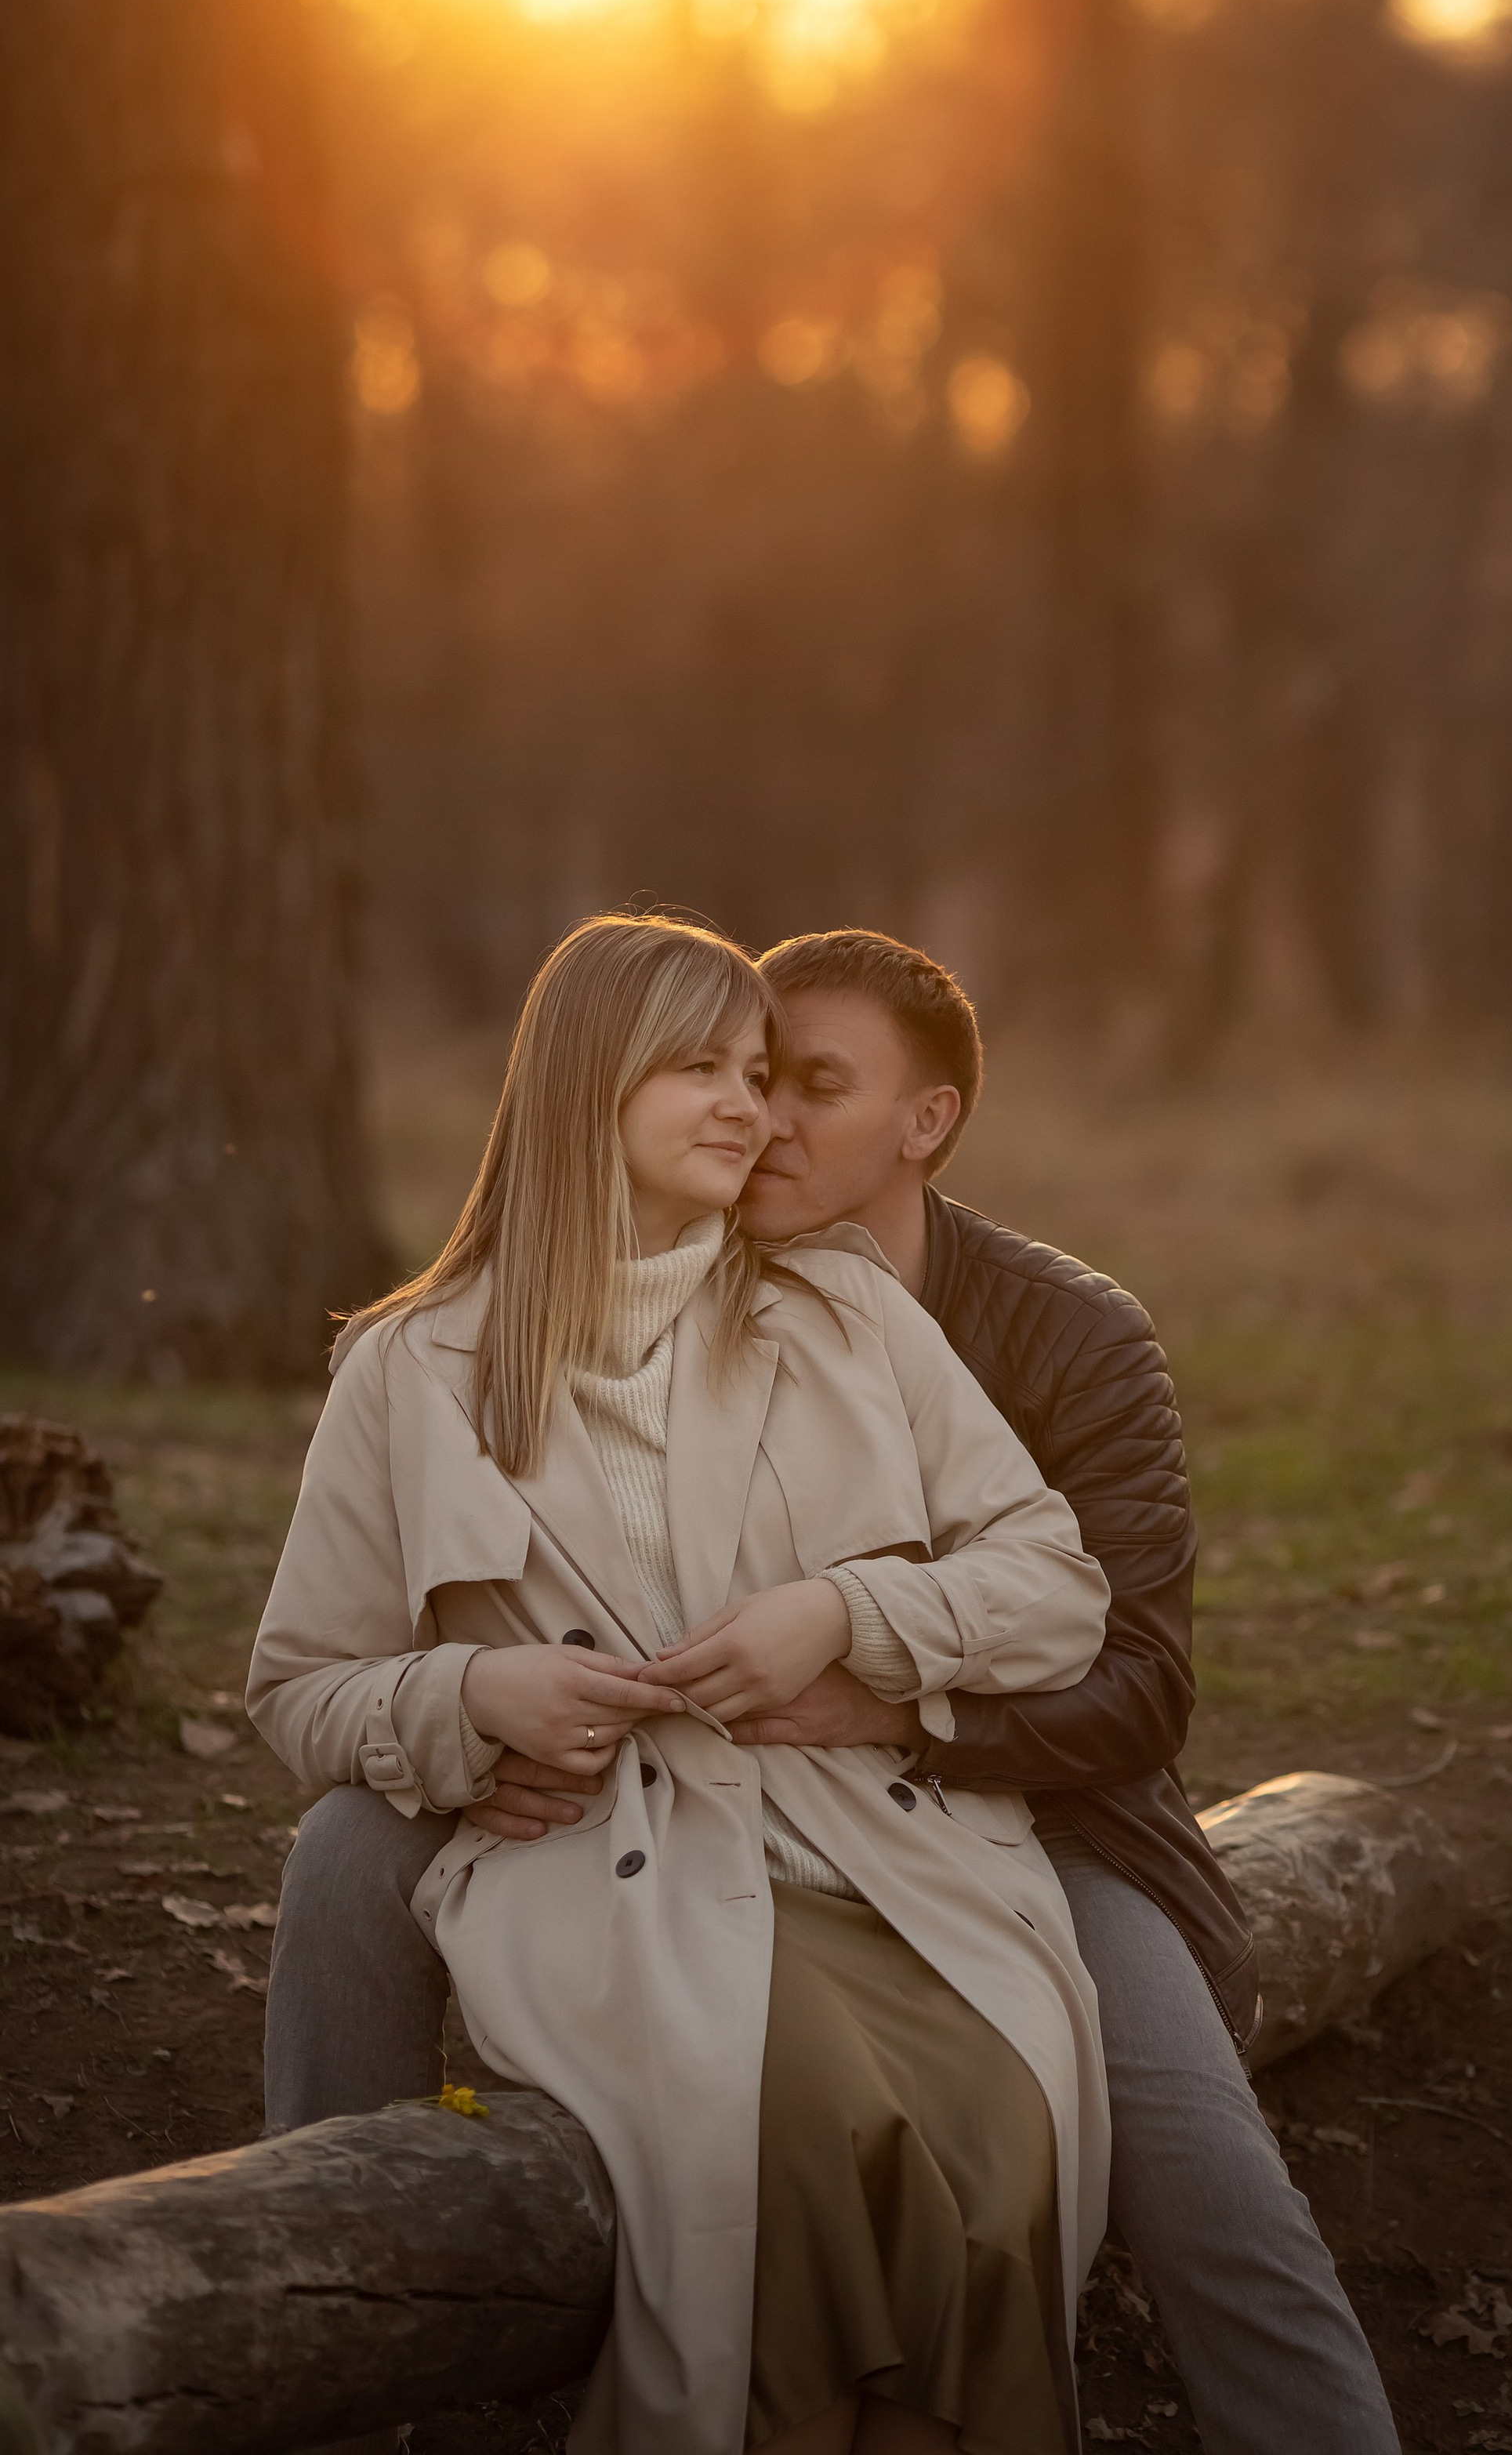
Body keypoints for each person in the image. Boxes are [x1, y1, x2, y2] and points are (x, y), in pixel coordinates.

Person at [264, 927, 1403, 2455]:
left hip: (998, 1822)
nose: (757, 1113)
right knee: (398, 1880)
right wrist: (472, 1698)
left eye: (785, 1078)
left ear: (920, 1123)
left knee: (1133, 2171)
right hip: (622, 1850)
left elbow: (1112, 1662)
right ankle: (317, 2307)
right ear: (587, 1082)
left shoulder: (936, 1321)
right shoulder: (411, 1366)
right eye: (716, 1070)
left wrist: (853, 1641)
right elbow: (304, 1683)